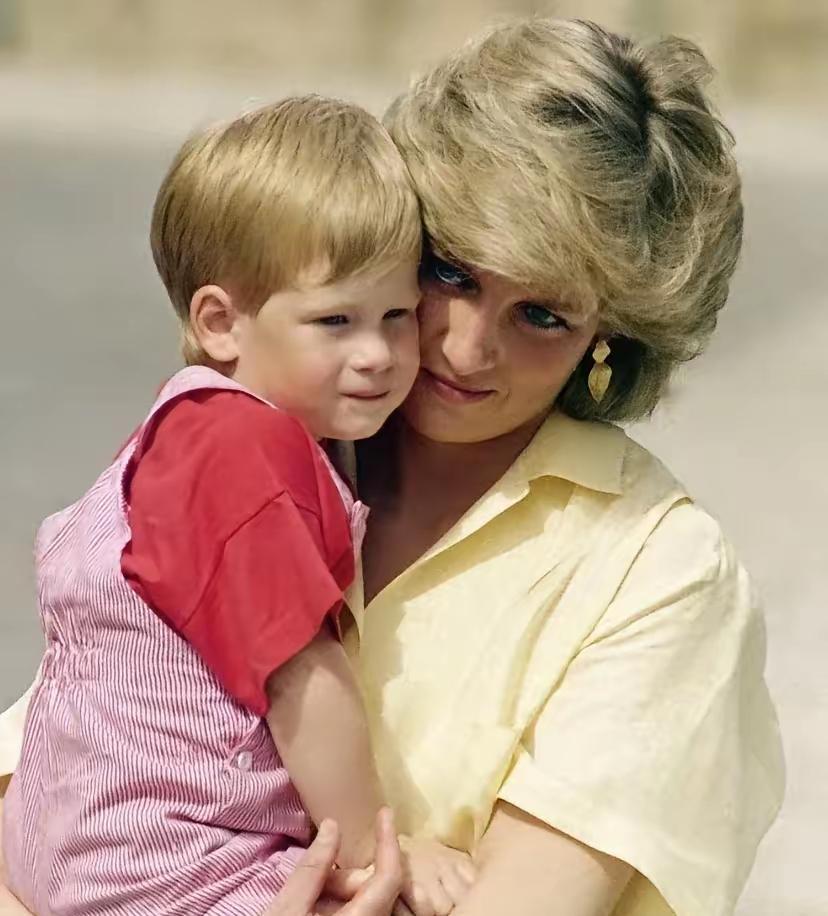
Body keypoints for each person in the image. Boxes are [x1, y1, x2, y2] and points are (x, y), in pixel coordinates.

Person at [0, 17, 785, 916]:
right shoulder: (248, 449)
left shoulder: (659, 575)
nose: (464, 347)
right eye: (451, 273)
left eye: (542, 316)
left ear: (609, 338)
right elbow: (39, 798)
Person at [0, 95, 472, 916]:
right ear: (220, 322)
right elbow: (302, 681)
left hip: (66, 838)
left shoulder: (183, 432)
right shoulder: (239, 458)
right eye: (336, 320)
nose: (377, 353)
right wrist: (376, 853)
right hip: (165, 864)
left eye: (398, 315)